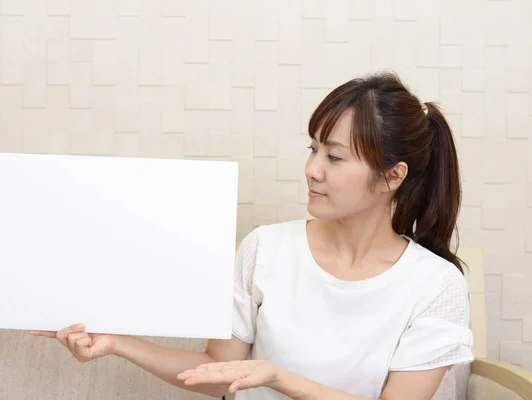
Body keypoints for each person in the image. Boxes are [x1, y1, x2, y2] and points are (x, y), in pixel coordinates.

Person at [31, 72, 474, 400]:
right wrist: (116, 343)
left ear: (392, 176)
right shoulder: (265, 248)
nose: (312, 169)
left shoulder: (435, 285)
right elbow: (214, 370)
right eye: (313, 148)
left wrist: (277, 376)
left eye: (335, 157)